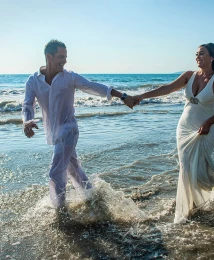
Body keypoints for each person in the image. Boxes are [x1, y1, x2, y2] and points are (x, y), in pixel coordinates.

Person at [134, 43, 214, 224]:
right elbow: (167, 88)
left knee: (198, 168)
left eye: (202, 54)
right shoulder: (188, 76)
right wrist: (142, 96)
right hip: (184, 128)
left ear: (212, 57)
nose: (197, 57)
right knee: (186, 168)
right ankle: (189, 206)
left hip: (205, 130)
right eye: (196, 54)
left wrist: (208, 122)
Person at [22, 39, 135, 210]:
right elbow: (27, 104)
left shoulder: (70, 77)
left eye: (66, 57)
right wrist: (26, 121)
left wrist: (123, 96)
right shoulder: (33, 81)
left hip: (69, 131)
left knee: (56, 171)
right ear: (49, 57)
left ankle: (60, 212)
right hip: (54, 133)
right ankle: (92, 197)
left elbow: (93, 87)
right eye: (61, 56)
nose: (65, 60)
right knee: (73, 169)